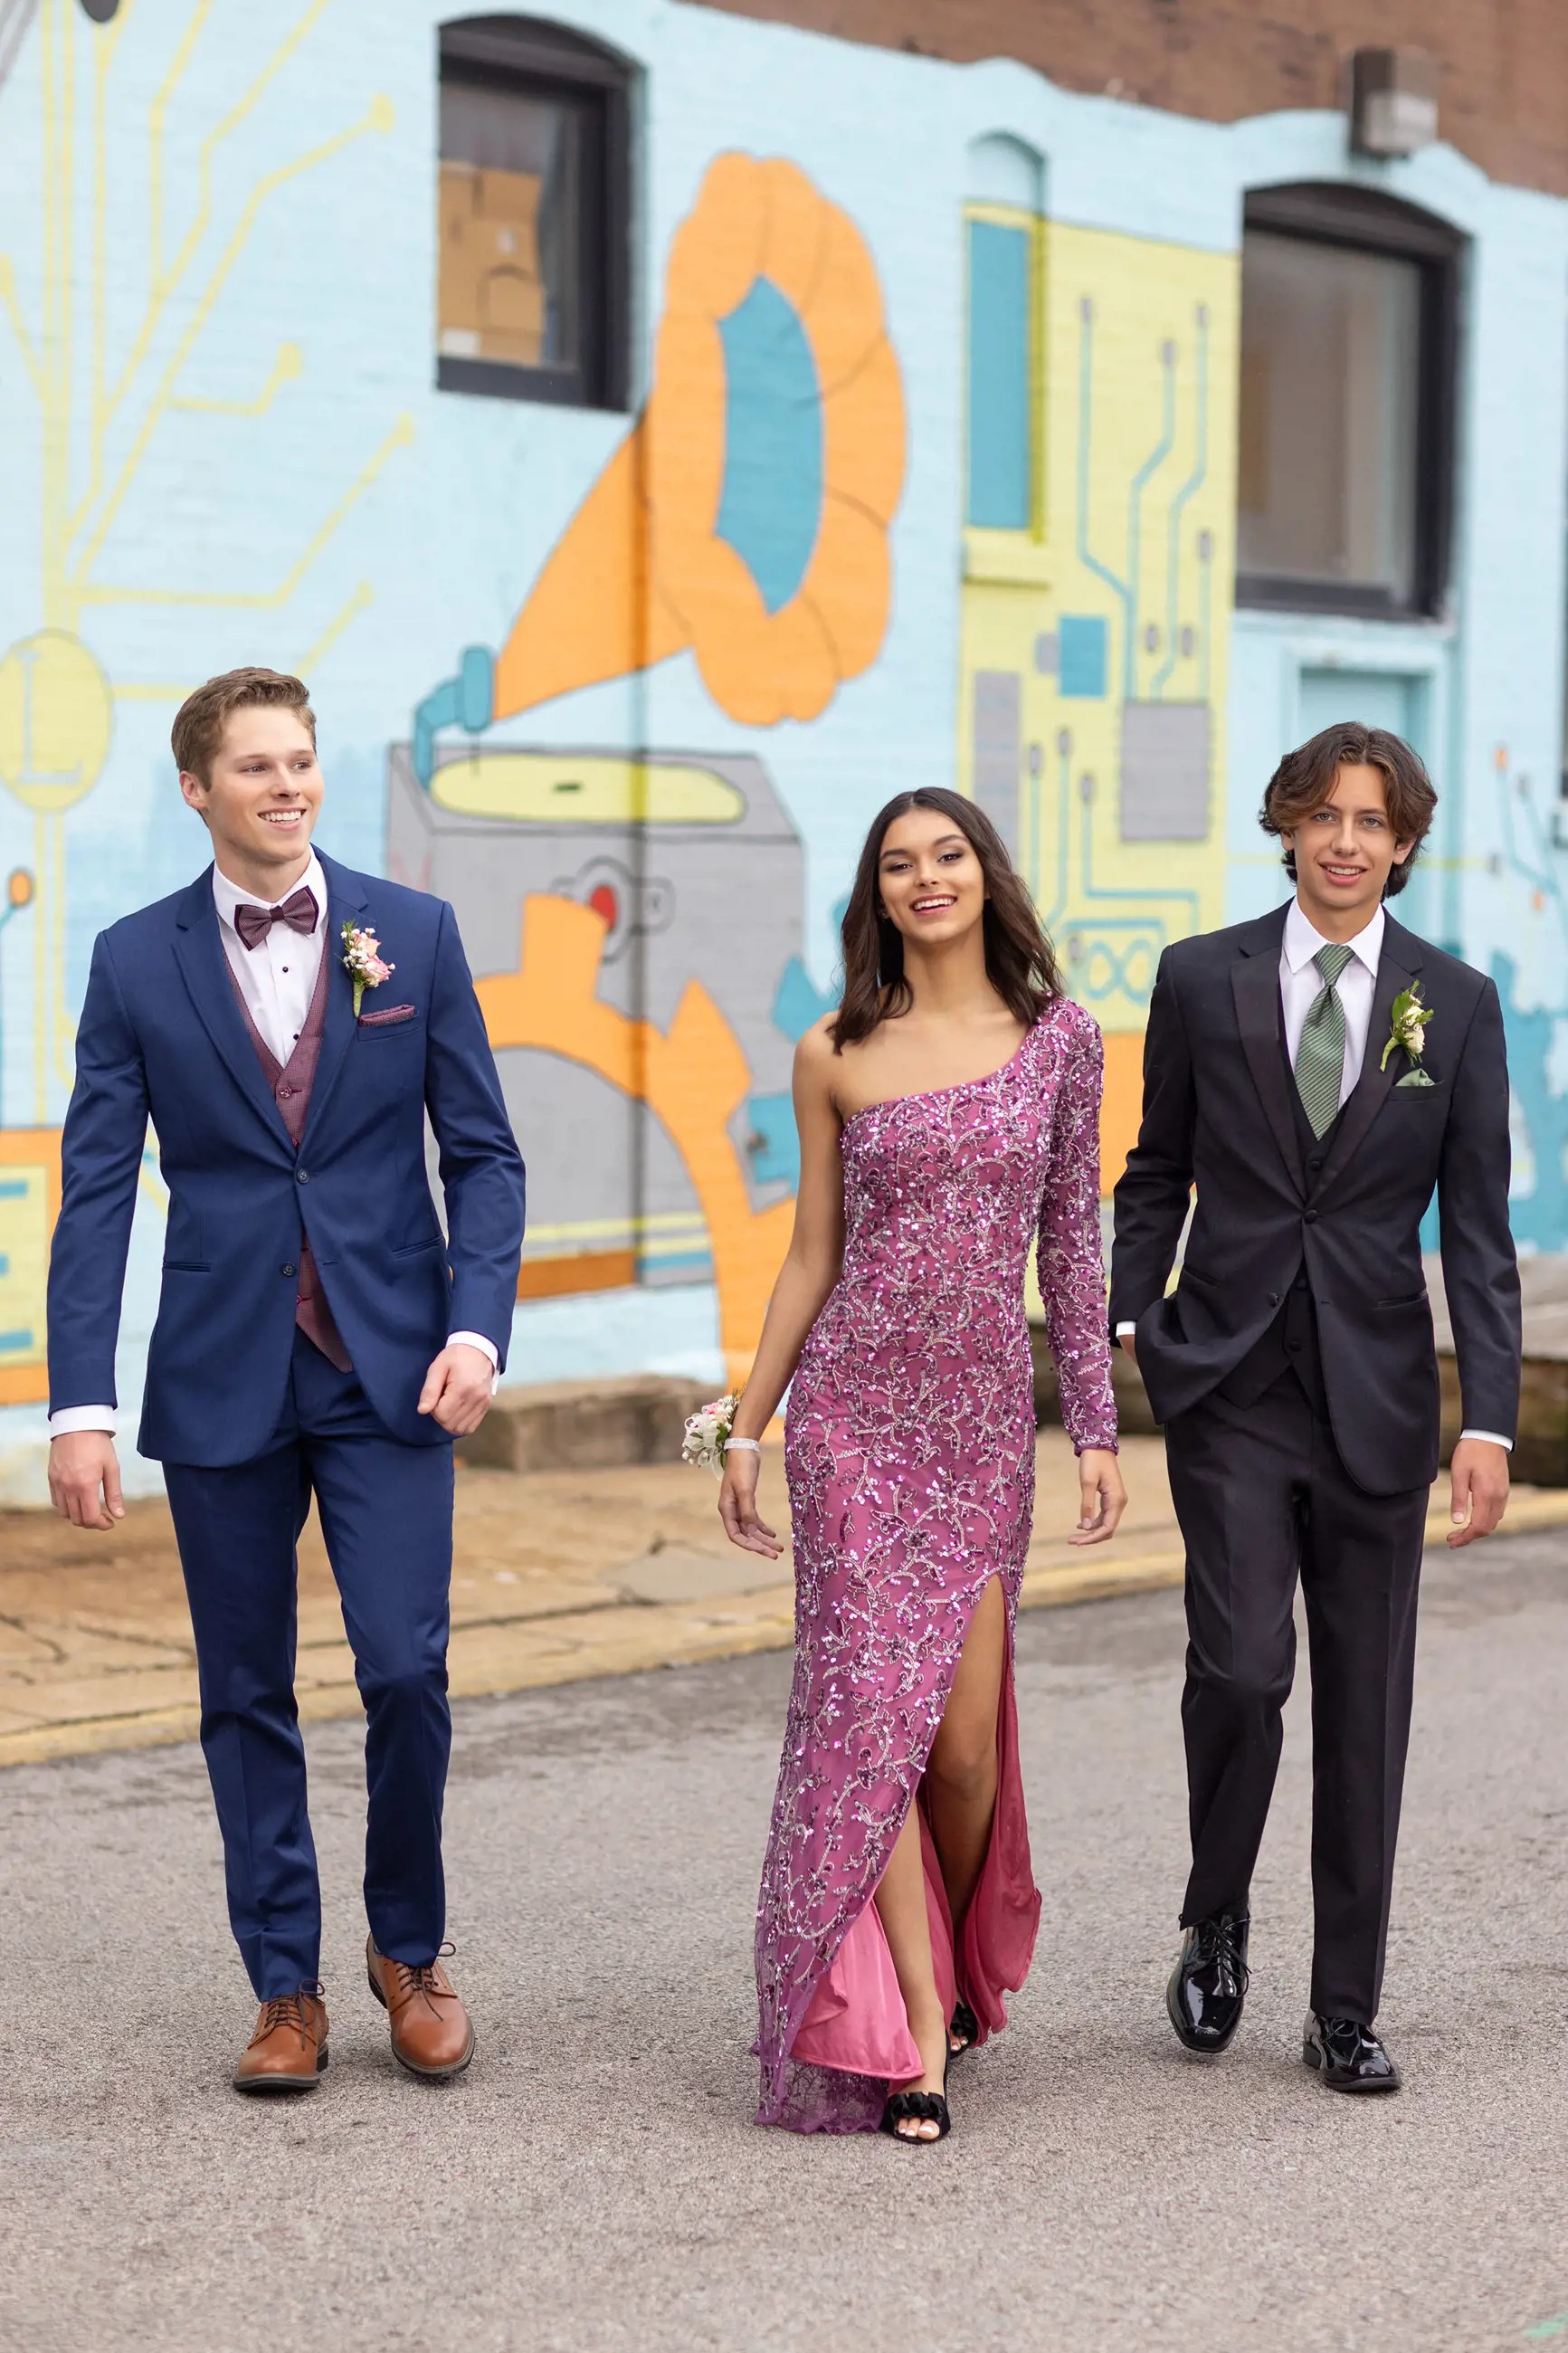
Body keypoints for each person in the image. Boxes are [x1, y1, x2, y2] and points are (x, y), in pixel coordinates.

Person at [46, 668, 527, 2094]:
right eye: (253, 766)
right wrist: (80, 1405)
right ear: (197, 790)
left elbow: (483, 1155)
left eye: (301, 761)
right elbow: (95, 1195)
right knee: (244, 1691)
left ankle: (410, 1950)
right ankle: (283, 1990)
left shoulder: (412, 935)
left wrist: (477, 1327)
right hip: (217, 1377)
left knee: (405, 1670)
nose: (285, 785)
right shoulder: (136, 960)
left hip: (391, 1371)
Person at [1111, 722, 1520, 2094]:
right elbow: (1154, 1165)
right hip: (1229, 1382)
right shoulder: (1198, 977)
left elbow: (1475, 1230)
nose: (1345, 839)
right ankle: (1214, 1911)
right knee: (1238, 1671)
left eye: (1372, 820)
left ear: (1402, 843)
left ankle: (1343, 2006)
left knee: (1365, 1710)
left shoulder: (1451, 1005)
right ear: (1286, 824)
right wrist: (1129, 1321)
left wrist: (1489, 1420)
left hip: (1380, 1397)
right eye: (1322, 814)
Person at [719, 787, 1124, 2141]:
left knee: (958, 1754)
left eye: (944, 854)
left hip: (976, 1423)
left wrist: (1100, 1433)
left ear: (982, 873)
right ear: (876, 893)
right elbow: (809, 1256)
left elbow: (1071, 1247)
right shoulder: (832, 1048)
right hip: (850, 1422)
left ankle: (943, 1970)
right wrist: (747, 1427)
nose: (923, 878)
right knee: (868, 1724)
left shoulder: (1061, 1041)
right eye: (897, 863)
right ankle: (910, 2027)